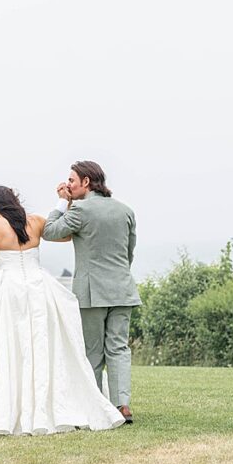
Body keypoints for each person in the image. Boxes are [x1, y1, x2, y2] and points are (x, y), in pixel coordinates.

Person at [0, 185, 125, 435]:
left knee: (7, 347)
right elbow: (64, 233)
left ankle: (11, 405)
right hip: (39, 290)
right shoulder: (35, 222)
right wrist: (64, 203)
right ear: (15, 201)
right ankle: (47, 405)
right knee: (42, 346)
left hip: (7, 293)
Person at [43, 161, 139, 424]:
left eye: (72, 180)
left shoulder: (80, 210)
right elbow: (129, 253)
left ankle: (98, 407)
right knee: (118, 348)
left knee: (93, 351)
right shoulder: (125, 210)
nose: (68, 185)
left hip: (91, 292)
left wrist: (62, 203)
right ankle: (122, 405)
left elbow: (49, 232)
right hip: (122, 288)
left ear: (86, 182)